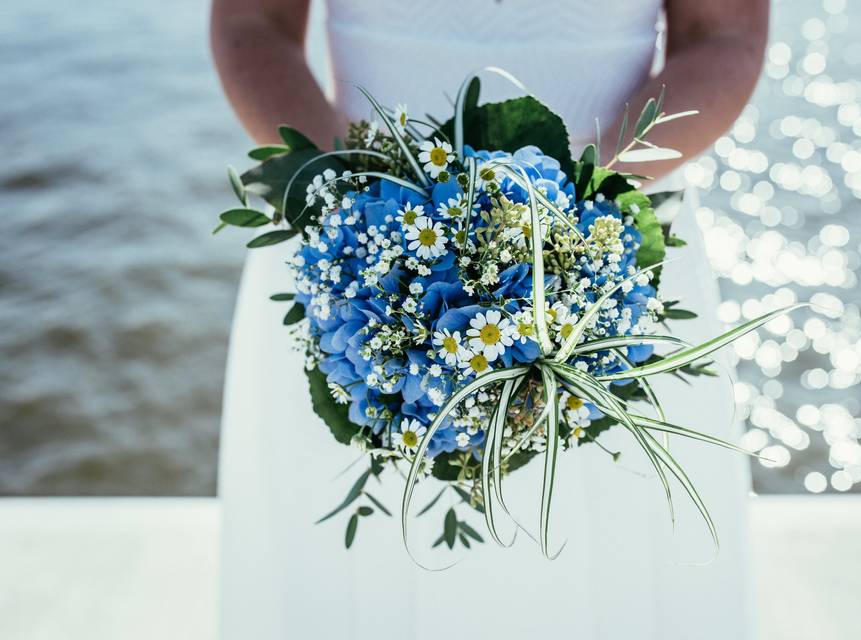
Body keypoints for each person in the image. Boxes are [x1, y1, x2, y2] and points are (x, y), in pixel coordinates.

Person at [211, 1, 768, 638]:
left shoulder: (589, 234)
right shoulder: (357, 233)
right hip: (359, 255)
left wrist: (571, 220)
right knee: (353, 567)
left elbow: (723, 33)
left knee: (610, 549)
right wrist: (350, 195)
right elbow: (252, 24)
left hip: (606, 250)